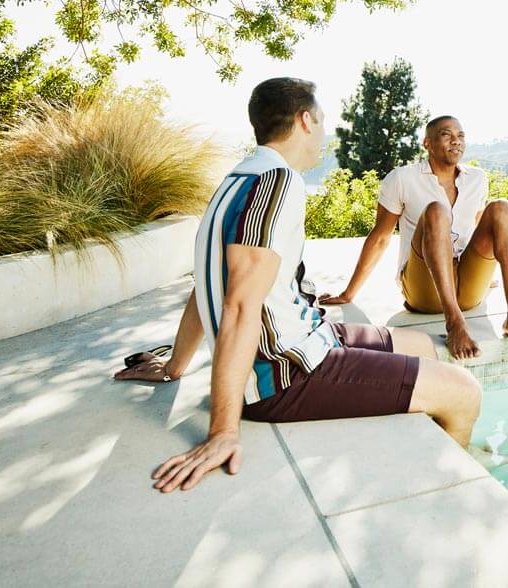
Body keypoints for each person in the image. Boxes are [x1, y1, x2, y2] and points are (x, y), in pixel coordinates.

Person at [114, 78, 481, 493]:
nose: (324, 132)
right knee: (464, 393)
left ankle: (424, 455)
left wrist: (175, 367)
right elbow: (237, 305)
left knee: (422, 346)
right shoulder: (275, 184)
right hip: (288, 373)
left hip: (310, 334)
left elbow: (208, 285)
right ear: (305, 120)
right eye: (321, 121)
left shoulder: (239, 178)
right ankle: (451, 490)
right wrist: (222, 431)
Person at [319, 115, 508, 359]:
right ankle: (454, 323)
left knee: (502, 208)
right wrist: (349, 293)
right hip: (423, 290)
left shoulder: (477, 178)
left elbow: (480, 229)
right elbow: (380, 237)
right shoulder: (402, 178)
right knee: (436, 210)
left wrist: (484, 276)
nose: (456, 141)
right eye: (446, 135)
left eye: (461, 136)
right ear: (427, 143)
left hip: (467, 290)